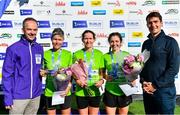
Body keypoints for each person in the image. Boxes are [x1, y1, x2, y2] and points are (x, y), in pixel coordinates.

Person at [140, 12, 180, 114]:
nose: (153, 25)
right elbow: (142, 66)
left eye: (156, 22)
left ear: (161, 23)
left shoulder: (170, 42)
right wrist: (143, 81)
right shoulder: (146, 43)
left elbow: (173, 69)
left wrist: (155, 85)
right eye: (150, 23)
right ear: (147, 25)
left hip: (164, 91)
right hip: (147, 90)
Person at [2, 17, 44, 114]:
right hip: (18, 97)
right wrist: (8, 97)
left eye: (35, 30)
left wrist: (43, 72)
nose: (32, 32)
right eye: (29, 29)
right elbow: (7, 74)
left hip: (35, 96)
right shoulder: (13, 49)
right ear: (23, 30)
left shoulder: (39, 48)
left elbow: (38, 69)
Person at [40, 28, 72, 115]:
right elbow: (41, 71)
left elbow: (71, 74)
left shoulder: (68, 54)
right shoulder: (45, 54)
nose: (57, 42)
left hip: (65, 91)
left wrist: (68, 89)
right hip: (50, 91)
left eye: (59, 39)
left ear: (63, 40)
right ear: (51, 39)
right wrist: (45, 72)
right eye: (55, 39)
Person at [73, 30, 104, 115]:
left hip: (95, 90)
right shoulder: (76, 54)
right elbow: (73, 71)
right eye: (86, 38)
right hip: (81, 90)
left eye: (90, 38)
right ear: (82, 40)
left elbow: (101, 71)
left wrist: (101, 81)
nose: (88, 41)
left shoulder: (99, 54)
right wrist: (77, 80)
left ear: (94, 40)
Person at [103, 32, 135, 115]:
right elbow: (101, 72)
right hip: (110, 90)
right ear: (109, 43)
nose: (114, 44)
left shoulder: (127, 55)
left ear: (121, 42)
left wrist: (133, 79)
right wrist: (106, 77)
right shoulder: (105, 56)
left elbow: (133, 71)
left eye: (117, 41)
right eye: (112, 41)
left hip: (124, 90)